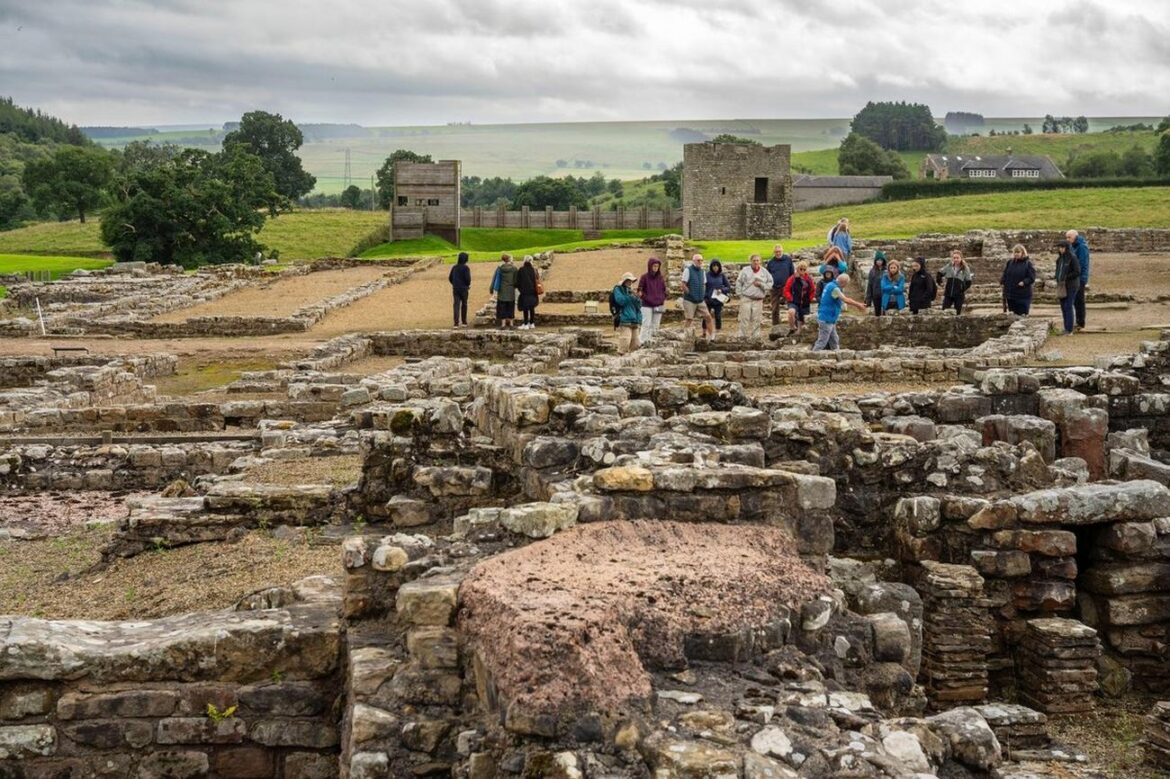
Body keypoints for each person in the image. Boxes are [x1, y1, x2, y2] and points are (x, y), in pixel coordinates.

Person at [812, 272, 866, 351]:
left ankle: (837, 355)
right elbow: (845, 299)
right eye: (846, 284)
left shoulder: (830, 284)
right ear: (843, 282)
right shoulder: (835, 288)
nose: (845, 286)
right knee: (822, 341)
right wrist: (858, 305)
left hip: (829, 318)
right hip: (827, 318)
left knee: (834, 339)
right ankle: (814, 356)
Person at [736, 254, 771, 340]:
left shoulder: (764, 272)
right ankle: (742, 336)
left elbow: (770, 284)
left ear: (760, 262)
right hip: (746, 298)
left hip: (758, 299)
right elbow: (739, 282)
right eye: (754, 260)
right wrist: (740, 294)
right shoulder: (745, 270)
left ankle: (756, 337)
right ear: (750, 261)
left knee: (757, 319)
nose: (756, 262)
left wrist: (761, 285)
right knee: (744, 318)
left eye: (757, 260)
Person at [680, 253, 715, 340]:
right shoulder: (688, 270)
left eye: (701, 260)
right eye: (698, 260)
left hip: (700, 300)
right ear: (694, 261)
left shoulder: (702, 272)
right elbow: (683, 284)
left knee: (708, 317)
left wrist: (702, 294)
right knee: (689, 319)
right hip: (689, 300)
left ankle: (711, 337)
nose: (700, 262)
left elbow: (704, 284)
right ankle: (685, 338)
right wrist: (689, 293)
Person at [636, 256, 667, 345]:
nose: (656, 268)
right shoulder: (644, 277)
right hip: (646, 305)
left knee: (656, 325)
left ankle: (652, 341)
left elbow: (664, 290)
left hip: (659, 304)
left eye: (657, 266)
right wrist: (647, 298)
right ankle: (641, 342)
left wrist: (662, 298)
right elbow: (640, 291)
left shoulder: (660, 278)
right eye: (654, 266)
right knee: (646, 324)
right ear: (650, 266)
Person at [1054, 240, 1082, 336]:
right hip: (1062, 286)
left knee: (1068, 305)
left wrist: (1066, 277)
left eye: (1062, 247)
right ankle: (1066, 327)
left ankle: (1069, 329)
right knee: (1063, 306)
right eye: (1059, 247)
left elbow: (1077, 271)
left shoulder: (1072, 258)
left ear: (1066, 248)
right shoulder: (1059, 259)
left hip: (1071, 285)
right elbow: (1058, 271)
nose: (1060, 249)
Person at [611, 272, 643, 353]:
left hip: (635, 320)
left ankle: (632, 361)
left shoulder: (631, 291)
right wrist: (630, 296)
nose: (630, 282)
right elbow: (620, 301)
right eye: (628, 280)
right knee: (625, 342)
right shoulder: (618, 289)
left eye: (631, 280)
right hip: (625, 319)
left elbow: (639, 306)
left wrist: (637, 297)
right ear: (624, 281)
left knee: (635, 344)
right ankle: (621, 358)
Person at [1001, 243, 1036, 315]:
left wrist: (1024, 282)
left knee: (1022, 316)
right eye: (1015, 252)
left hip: (1022, 295)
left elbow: (1032, 277)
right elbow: (1005, 274)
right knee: (1012, 315)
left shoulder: (1027, 264)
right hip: (1011, 295)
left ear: (1022, 253)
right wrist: (1003, 281)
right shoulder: (1010, 263)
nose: (1016, 254)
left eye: (1018, 252)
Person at [765, 244, 795, 326]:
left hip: (786, 287)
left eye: (779, 251)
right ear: (774, 252)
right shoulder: (771, 262)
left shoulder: (788, 260)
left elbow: (792, 274)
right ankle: (775, 326)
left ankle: (793, 324)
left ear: (782, 251)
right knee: (774, 309)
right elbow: (767, 275)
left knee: (791, 306)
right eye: (776, 252)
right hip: (774, 288)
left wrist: (791, 285)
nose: (778, 253)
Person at [783, 260, 815, 336]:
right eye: (801, 269)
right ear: (797, 269)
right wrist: (790, 298)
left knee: (802, 320)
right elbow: (786, 289)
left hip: (805, 302)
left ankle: (799, 333)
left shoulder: (808, 279)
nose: (802, 271)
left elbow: (813, 290)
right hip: (794, 301)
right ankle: (792, 327)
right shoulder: (792, 278)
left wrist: (810, 298)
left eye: (804, 269)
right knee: (791, 312)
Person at [1067, 229, 1091, 330]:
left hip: (1079, 277)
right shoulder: (1073, 246)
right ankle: (1078, 321)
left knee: (1079, 300)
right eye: (1066, 237)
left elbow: (1081, 263)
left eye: (1069, 237)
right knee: (1075, 300)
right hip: (1075, 277)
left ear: (1075, 237)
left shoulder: (1081, 247)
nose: (1067, 239)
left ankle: (1081, 322)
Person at [938, 250, 974, 315]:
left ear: (961, 258)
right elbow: (939, 273)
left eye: (957, 258)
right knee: (944, 311)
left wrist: (962, 289)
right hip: (948, 293)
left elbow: (969, 282)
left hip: (959, 295)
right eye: (954, 258)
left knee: (957, 313)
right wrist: (940, 283)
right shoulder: (949, 266)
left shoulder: (965, 268)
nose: (956, 259)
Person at [490, 253, 518, 329]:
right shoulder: (514, 269)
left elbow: (496, 280)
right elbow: (516, 281)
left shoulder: (499, 268)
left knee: (502, 307)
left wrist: (494, 289)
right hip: (510, 290)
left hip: (502, 290)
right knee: (511, 306)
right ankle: (511, 324)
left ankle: (503, 324)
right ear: (509, 259)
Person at [704, 259, 732, 335]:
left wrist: (721, 290)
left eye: (717, 266)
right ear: (711, 267)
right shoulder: (706, 275)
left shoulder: (722, 275)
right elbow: (703, 287)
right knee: (706, 316)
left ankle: (718, 331)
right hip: (708, 299)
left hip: (718, 299)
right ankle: (704, 331)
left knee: (718, 316)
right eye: (714, 266)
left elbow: (728, 287)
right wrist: (705, 297)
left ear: (719, 267)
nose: (715, 267)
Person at [516, 255, 540, 329]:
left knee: (525, 307)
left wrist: (520, 288)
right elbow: (537, 278)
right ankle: (532, 323)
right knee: (532, 307)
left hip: (525, 291)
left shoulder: (521, 269)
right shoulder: (534, 270)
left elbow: (518, 281)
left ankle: (526, 323)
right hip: (533, 291)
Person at [448, 252, 471, 328]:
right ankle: (464, 322)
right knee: (464, 304)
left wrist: (455, 284)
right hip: (464, 288)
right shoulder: (466, 268)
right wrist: (467, 285)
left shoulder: (454, 267)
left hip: (456, 288)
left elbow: (450, 278)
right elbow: (468, 279)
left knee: (456, 305)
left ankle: (456, 323)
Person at [865, 252, 887, 316]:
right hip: (876, 295)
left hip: (885, 295)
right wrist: (868, 300)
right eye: (878, 260)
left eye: (881, 260)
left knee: (886, 312)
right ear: (875, 261)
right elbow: (870, 285)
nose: (879, 262)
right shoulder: (872, 271)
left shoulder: (887, 271)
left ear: (883, 261)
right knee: (877, 313)